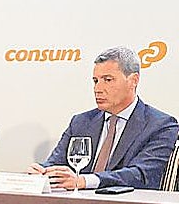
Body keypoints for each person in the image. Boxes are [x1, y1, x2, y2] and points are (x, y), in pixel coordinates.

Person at [30, 46, 178, 191]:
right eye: (95, 81)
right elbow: (55, 163)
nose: (97, 89)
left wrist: (84, 181)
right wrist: (41, 173)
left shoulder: (161, 125)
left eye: (107, 80)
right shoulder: (81, 122)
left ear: (133, 80)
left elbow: (141, 174)